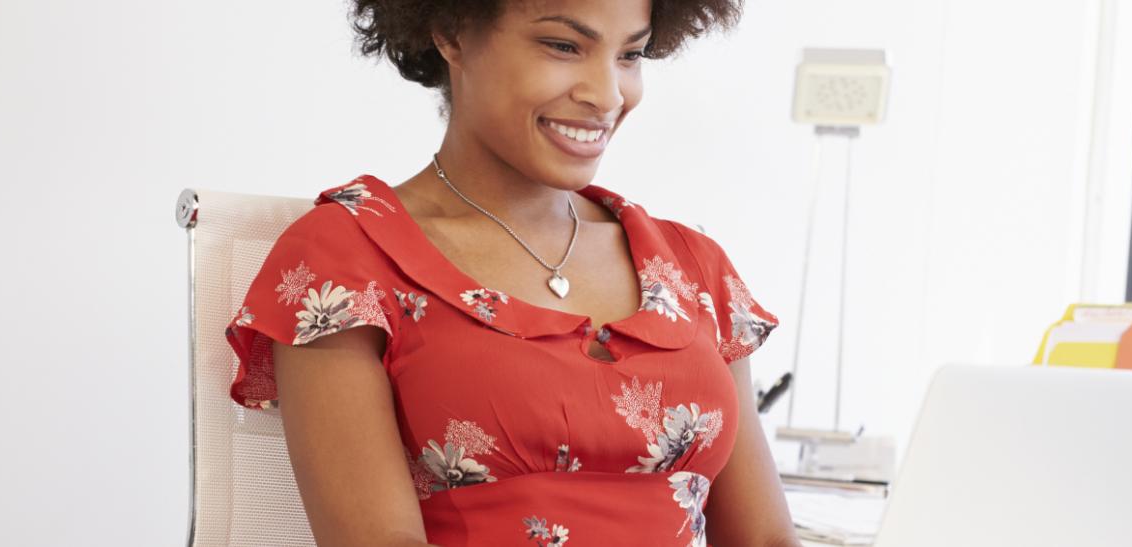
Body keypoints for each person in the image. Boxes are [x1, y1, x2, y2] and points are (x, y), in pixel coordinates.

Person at [222, 1, 799, 545]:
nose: (606, 95)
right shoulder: (346, 259)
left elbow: (765, 537)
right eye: (563, 46)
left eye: (630, 55)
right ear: (451, 30)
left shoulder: (693, 267)